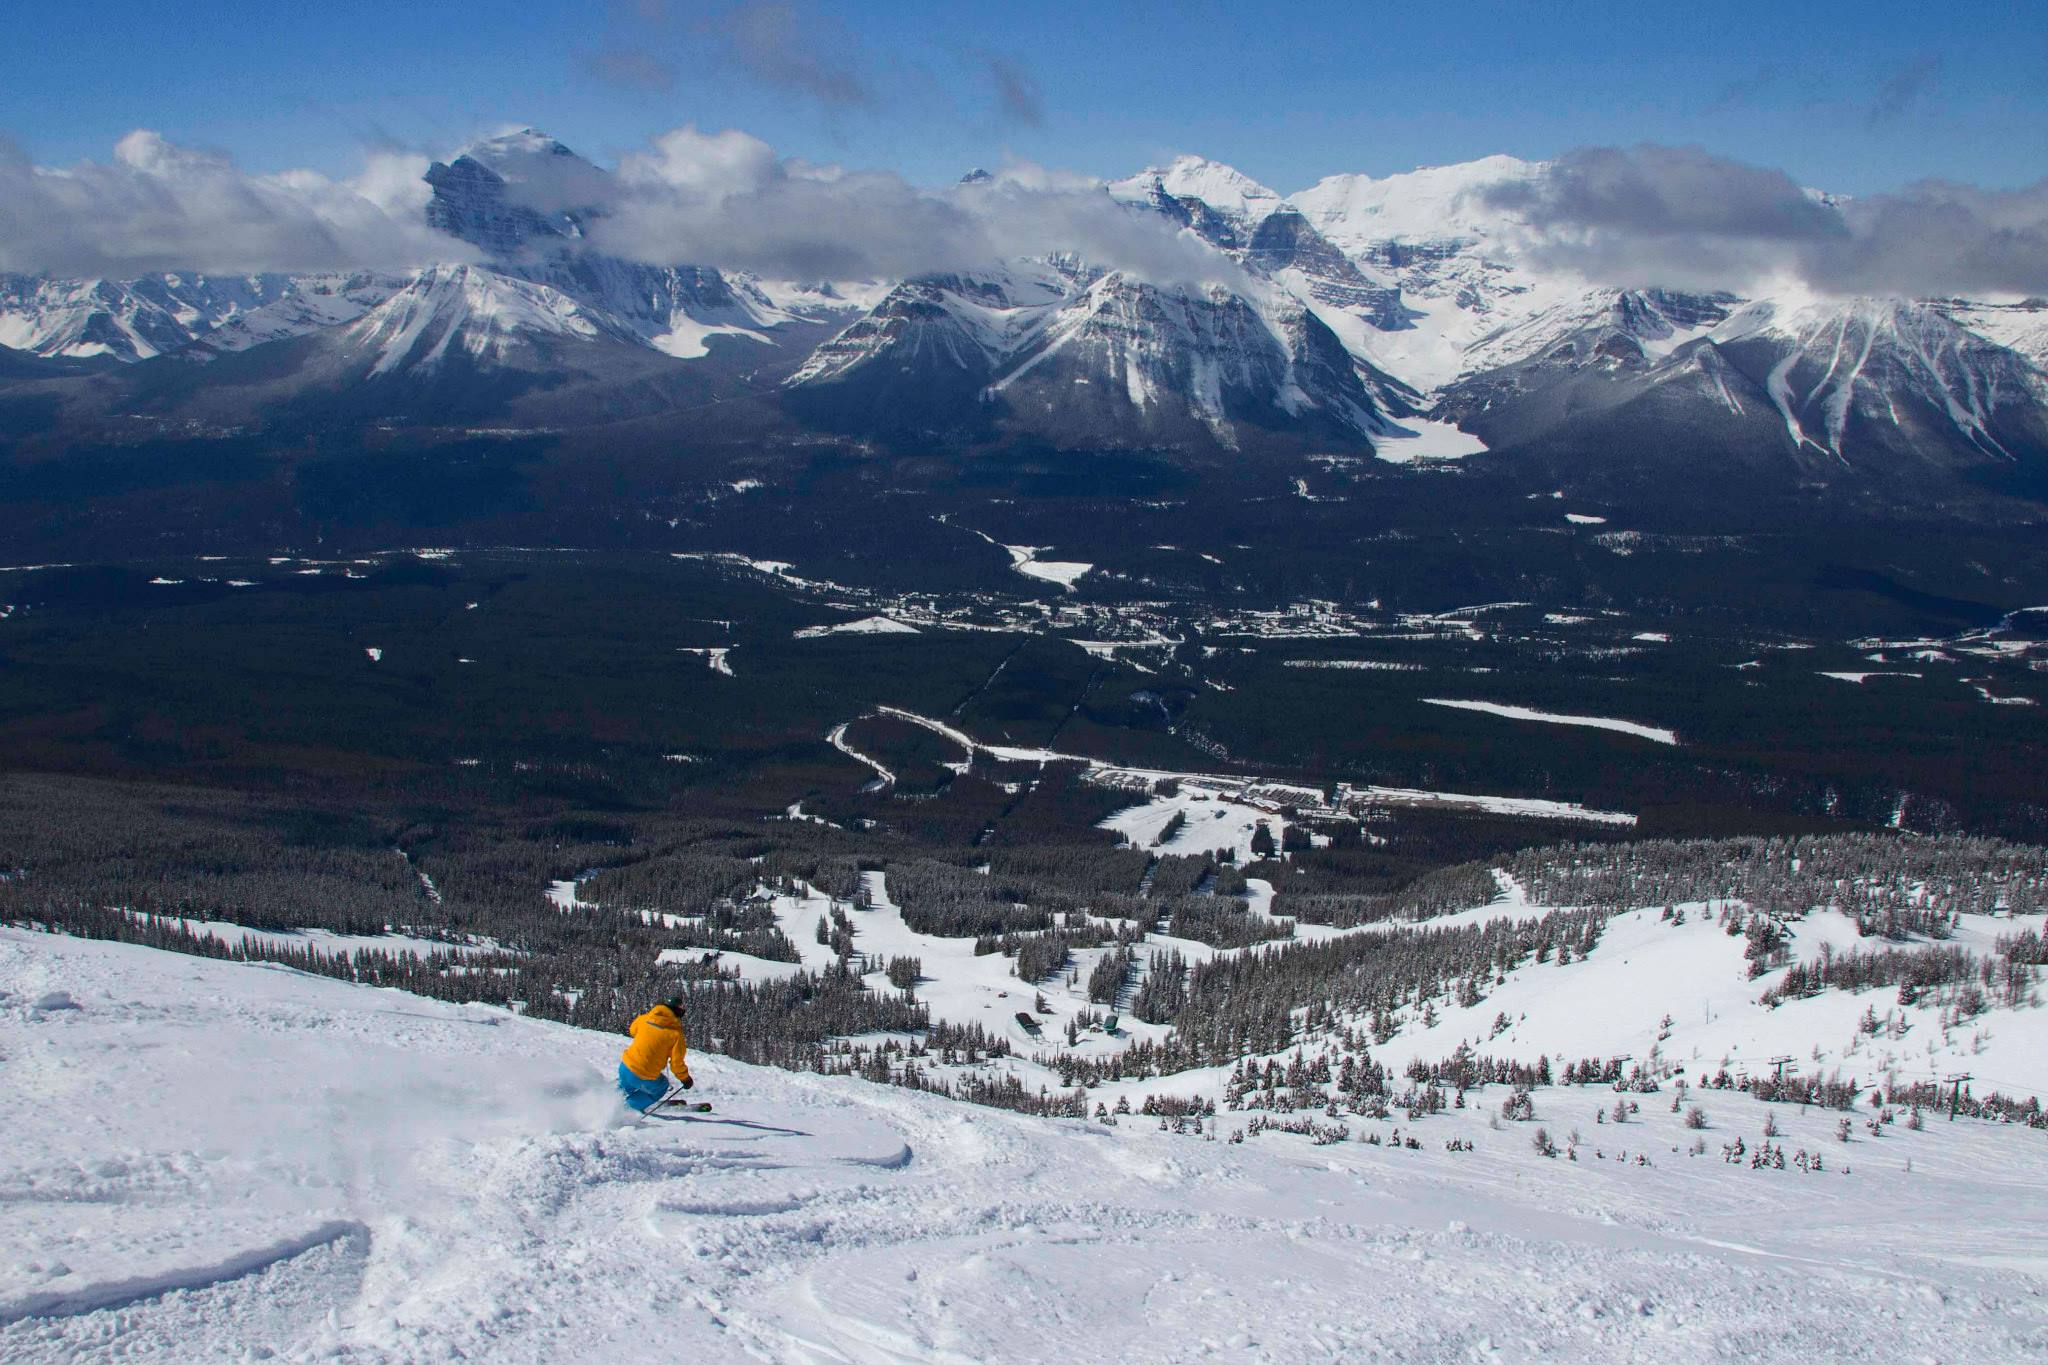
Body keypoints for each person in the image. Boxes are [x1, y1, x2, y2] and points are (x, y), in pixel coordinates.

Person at [618, 997, 693, 1113]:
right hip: (644, 1074)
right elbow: (676, 1064)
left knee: (624, 1087)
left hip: (625, 1067)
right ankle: (626, 1109)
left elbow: (633, 1030)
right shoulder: (676, 1034)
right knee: (661, 1087)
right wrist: (686, 1079)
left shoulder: (644, 1018)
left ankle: (603, 1103)